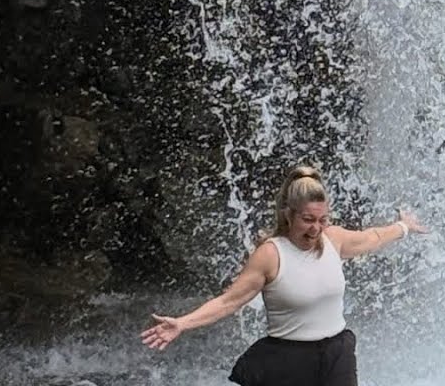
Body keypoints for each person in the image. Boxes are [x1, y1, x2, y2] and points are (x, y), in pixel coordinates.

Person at [140, 165, 428, 386]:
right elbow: (229, 301)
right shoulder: (271, 254)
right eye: (308, 220)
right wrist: (182, 323)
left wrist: (403, 227)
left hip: (336, 354)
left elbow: (372, 237)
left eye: (322, 220)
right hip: (289, 359)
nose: (316, 228)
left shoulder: (334, 239)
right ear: (289, 215)